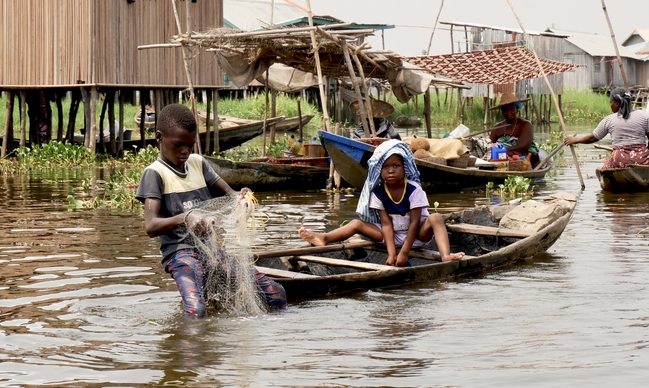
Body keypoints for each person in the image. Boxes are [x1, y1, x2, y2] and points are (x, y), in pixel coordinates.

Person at [136, 104, 287, 317]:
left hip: (212, 251)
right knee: (196, 310)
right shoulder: (155, 174)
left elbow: (230, 194)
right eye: (178, 145)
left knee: (275, 293)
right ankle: (190, 348)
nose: (185, 151)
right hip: (181, 255)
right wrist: (186, 217)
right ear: (159, 138)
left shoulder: (198, 163)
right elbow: (151, 227)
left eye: (190, 145)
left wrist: (242, 196)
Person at [298, 140, 464, 265]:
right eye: (385, 167)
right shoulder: (377, 193)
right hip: (391, 235)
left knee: (435, 218)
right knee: (356, 224)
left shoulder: (414, 190)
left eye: (396, 166)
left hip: (418, 236)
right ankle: (324, 238)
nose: (391, 170)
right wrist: (392, 254)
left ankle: (445, 255)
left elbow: (414, 223)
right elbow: (385, 225)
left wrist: (404, 252)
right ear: (380, 171)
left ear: (404, 168)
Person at [564, 87, 649, 170]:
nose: (610, 105)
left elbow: (593, 137)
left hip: (619, 160)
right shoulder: (643, 115)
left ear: (616, 104)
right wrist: (645, 151)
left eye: (610, 102)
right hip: (642, 159)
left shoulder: (609, 119)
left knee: (605, 169)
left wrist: (575, 140)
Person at [489, 92, 541, 168]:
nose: (508, 112)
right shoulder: (497, 127)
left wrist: (502, 151)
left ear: (517, 109)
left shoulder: (525, 125)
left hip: (520, 156)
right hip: (501, 157)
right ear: (502, 111)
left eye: (511, 109)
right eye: (505, 110)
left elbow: (522, 147)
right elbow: (490, 145)